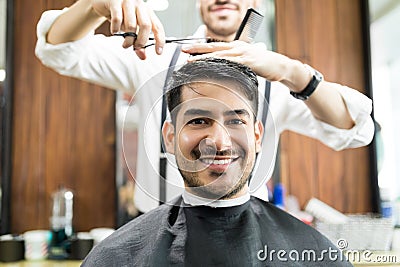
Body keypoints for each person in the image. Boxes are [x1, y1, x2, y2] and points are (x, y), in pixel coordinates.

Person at [35, 0, 374, 213]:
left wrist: (292, 72)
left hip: (247, 236)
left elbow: (355, 129)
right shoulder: (153, 59)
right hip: (155, 236)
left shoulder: (276, 78)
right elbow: (58, 51)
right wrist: (93, 6)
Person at [81, 58, 353, 266]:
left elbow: (355, 124)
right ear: (170, 137)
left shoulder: (316, 255)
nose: (220, 143)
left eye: (236, 120)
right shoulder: (115, 257)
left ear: (257, 135)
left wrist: (293, 70)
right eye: (199, 121)